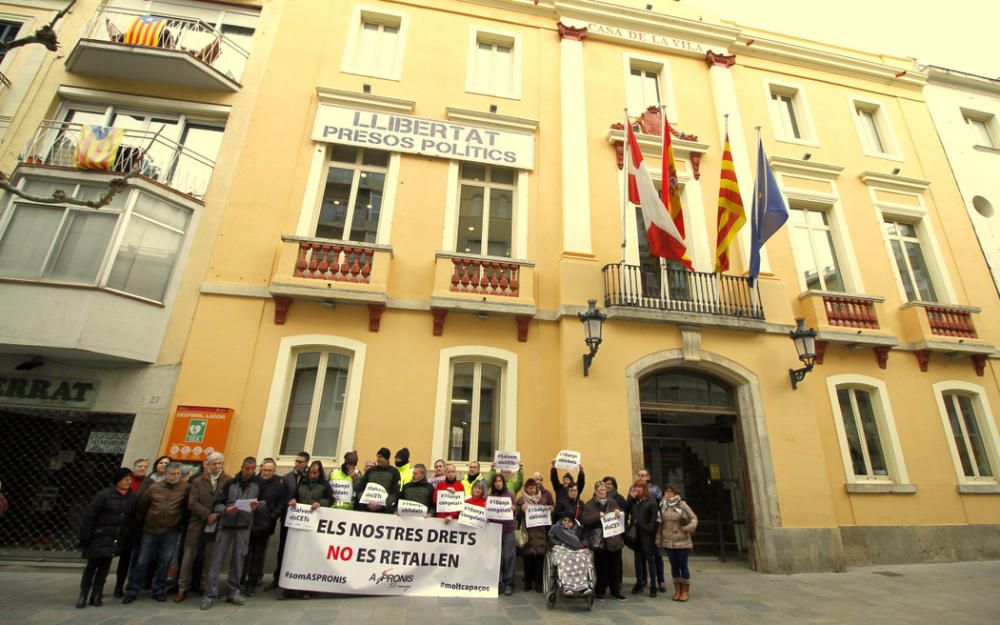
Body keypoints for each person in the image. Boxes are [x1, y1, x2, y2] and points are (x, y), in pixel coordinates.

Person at [123, 462, 191, 604]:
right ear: (166, 474)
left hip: (171, 530)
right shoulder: (154, 487)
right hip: (150, 530)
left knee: (164, 561)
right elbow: (142, 505)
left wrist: (178, 521)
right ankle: (134, 590)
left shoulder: (185, 488)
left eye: (178, 474)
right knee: (142, 561)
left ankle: (158, 590)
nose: (175, 476)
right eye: (172, 474)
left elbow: (186, 508)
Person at [201, 457, 260, 610]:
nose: (249, 472)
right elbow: (217, 504)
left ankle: (233, 592)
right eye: (247, 468)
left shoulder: (257, 484)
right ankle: (209, 593)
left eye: (252, 469)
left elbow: (264, 502)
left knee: (238, 560)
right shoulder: (230, 483)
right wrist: (225, 510)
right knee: (217, 560)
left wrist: (257, 506)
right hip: (226, 525)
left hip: (244, 526)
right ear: (242, 467)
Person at [78, 468, 136, 609]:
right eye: (125, 479)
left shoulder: (131, 497)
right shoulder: (104, 495)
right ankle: (83, 594)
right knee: (91, 566)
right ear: (118, 480)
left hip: (115, 537)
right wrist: (85, 536)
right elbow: (90, 516)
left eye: (130, 479)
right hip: (99, 535)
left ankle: (97, 594)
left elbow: (131, 518)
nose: (128, 482)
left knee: (104, 567)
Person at [176, 453, 231, 602]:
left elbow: (229, 501)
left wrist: (217, 514)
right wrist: (208, 514)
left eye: (220, 463)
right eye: (215, 464)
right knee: (189, 555)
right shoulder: (198, 481)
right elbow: (192, 503)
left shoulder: (228, 480)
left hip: (217, 523)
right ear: (208, 465)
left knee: (210, 557)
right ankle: (182, 587)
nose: (218, 466)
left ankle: (205, 586)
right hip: (197, 522)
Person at [283, 460, 329, 600]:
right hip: (299, 524)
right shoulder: (301, 484)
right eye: (310, 472)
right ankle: (290, 587)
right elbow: (293, 497)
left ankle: (308, 588)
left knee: (310, 556)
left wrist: (320, 503)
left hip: (314, 526)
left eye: (315, 473)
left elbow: (330, 499)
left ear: (320, 473)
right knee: (295, 555)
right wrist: (292, 501)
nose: (312, 475)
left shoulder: (324, 485)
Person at [243, 458, 284, 597]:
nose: (266, 473)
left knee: (258, 554)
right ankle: (242, 578)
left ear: (274, 471)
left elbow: (281, 503)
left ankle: (252, 582)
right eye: (264, 470)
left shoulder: (279, 484)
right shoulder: (253, 481)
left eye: (269, 471)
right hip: (249, 522)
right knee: (245, 553)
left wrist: (272, 517)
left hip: (265, 525)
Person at [270, 451, 309, 589]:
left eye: (300, 462)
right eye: (296, 461)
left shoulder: (309, 477)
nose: (297, 464)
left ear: (306, 463)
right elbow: (282, 498)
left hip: (303, 520)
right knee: (283, 548)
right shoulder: (287, 478)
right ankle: (278, 576)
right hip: (288, 518)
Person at [581, 481, 626, 601]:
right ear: (595, 491)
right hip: (599, 540)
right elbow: (585, 520)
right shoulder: (589, 505)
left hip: (614, 539)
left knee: (615, 567)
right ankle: (600, 591)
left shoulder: (612, 502)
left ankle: (615, 591)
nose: (602, 492)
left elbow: (621, 514)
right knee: (601, 567)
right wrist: (597, 516)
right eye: (600, 490)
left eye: (604, 490)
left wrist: (618, 512)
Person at [112, 459, 148, 597]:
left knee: (130, 557)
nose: (142, 468)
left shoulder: (149, 483)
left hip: (135, 526)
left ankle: (123, 584)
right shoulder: (122, 483)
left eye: (145, 467)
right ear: (134, 467)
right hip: (117, 525)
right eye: (140, 466)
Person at [657, 484, 698, 602]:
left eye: (670, 493)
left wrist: (688, 528)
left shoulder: (682, 505)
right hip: (668, 541)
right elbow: (660, 524)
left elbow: (694, 518)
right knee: (674, 566)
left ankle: (685, 591)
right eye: (666, 493)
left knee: (683, 565)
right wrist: (658, 539)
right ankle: (677, 590)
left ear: (675, 494)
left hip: (682, 540)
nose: (668, 495)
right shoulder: (662, 506)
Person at [514, 478, 552, 593]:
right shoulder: (521, 500)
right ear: (526, 488)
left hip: (540, 532)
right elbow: (516, 515)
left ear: (537, 488)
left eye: (534, 487)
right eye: (529, 487)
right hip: (527, 532)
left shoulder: (543, 500)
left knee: (539, 559)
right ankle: (528, 582)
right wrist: (521, 510)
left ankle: (539, 583)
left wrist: (550, 510)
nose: (532, 490)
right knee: (528, 559)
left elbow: (548, 515)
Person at [624, 480, 659, 597]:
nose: (637, 489)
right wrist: (630, 498)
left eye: (640, 487)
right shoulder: (633, 501)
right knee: (638, 560)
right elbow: (624, 510)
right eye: (636, 487)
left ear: (644, 489)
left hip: (647, 536)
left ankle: (653, 585)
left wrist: (646, 528)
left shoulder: (651, 502)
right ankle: (639, 582)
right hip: (635, 535)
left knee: (650, 561)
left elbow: (654, 520)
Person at [637, 467, 665, 593]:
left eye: (643, 475)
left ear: (648, 477)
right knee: (641, 557)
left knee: (656, 556)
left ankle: (660, 581)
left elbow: (660, 507)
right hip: (641, 530)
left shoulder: (655, 490)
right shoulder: (634, 490)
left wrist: (652, 527)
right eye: (639, 475)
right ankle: (642, 581)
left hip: (652, 528)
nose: (641, 477)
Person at [488, 473, 517, 596]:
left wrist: (514, 508)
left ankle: (509, 583)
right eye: (496, 481)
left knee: (508, 556)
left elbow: (516, 510)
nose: (498, 483)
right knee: (496, 557)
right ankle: (498, 582)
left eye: (500, 481)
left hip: (508, 530)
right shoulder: (491, 496)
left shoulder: (510, 495)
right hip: (495, 530)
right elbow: (488, 513)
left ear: (503, 482)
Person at [354, 447, 400, 512]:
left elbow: (395, 492)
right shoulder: (370, 471)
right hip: (367, 509)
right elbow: (360, 488)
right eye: (377, 457)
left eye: (380, 457)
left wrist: (384, 505)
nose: (378, 459)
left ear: (386, 458)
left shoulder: (394, 472)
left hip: (384, 511)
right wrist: (365, 503)